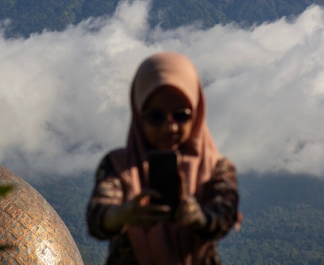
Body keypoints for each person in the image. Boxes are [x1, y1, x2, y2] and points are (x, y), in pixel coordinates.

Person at [86, 52, 240, 265]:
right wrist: (123, 214)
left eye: (181, 115)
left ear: (196, 113)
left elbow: (225, 215)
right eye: (156, 117)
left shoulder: (217, 169)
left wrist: (199, 218)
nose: (170, 127)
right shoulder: (118, 166)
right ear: (140, 117)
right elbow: (97, 216)